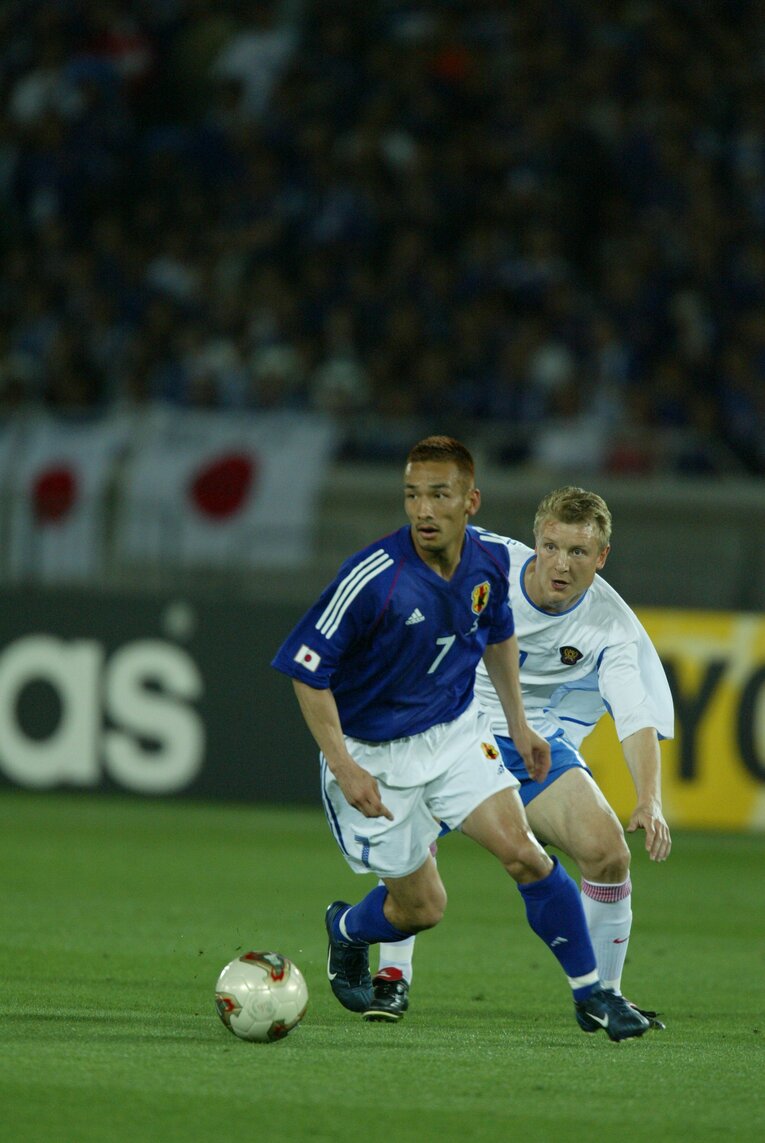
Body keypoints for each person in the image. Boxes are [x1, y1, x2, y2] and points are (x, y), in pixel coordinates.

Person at [271, 438, 650, 1041]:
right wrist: (344, 765)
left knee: (525, 854)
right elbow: (304, 669)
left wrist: (520, 727)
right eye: (413, 495)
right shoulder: (374, 577)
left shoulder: (486, 564)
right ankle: (347, 931)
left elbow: (498, 632)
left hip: (454, 736)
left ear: (469, 502)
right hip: (377, 756)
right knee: (423, 907)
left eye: (439, 495)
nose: (424, 509)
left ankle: (593, 994)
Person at [377, 485, 673, 1027]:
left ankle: (602, 997)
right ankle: (390, 977)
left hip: (529, 742)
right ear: (535, 540)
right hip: (444, 721)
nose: (562, 565)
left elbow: (636, 718)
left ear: (601, 557)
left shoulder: (611, 626)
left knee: (608, 853)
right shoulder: (484, 562)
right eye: (552, 547)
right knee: (412, 842)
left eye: (579, 553)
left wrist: (649, 800)